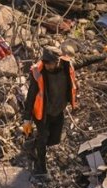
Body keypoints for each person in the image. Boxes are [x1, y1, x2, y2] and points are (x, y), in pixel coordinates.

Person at [22, 46, 78, 176]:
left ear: (57, 61)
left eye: (50, 64)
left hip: (58, 111)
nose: (47, 66)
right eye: (45, 63)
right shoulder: (38, 72)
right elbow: (30, 97)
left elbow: (83, 61)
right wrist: (26, 121)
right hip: (42, 114)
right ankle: (41, 167)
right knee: (43, 137)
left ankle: (33, 143)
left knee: (54, 140)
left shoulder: (66, 65)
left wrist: (102, 56)